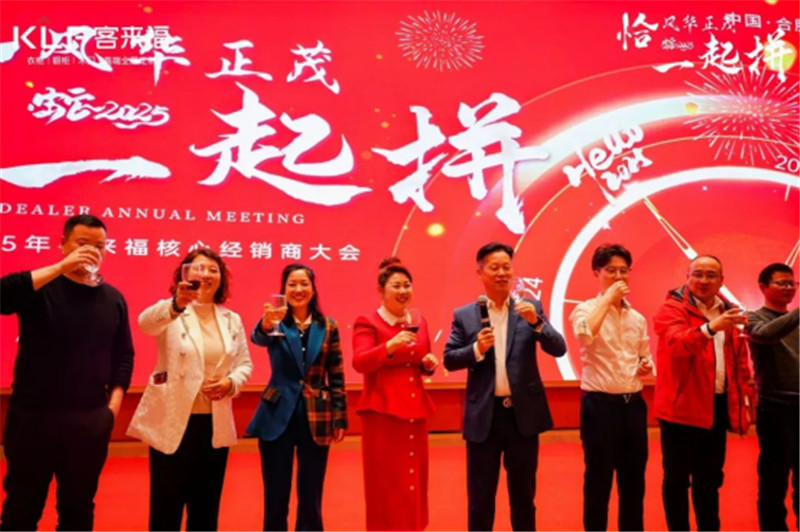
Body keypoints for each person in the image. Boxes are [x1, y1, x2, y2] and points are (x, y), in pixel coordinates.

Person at [0, 214, 134, 531]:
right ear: (62, 244)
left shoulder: (113, 298)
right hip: (33, 419)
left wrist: (112, 408)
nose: (92, 252)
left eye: (99, 246)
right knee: (21, 507)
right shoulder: (40, 288)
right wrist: (61, 268)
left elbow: (123, 356)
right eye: (82, 243)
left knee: (78, 508)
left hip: (90, 421)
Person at [126, 248, 253, 531]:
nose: (206, 274)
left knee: (206, 508)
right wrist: (176, 303)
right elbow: (145, 324)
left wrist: (231, 382)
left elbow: (244, 363)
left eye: (213, 270)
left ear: (221, 279)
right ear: (184, 274)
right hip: (174, 420)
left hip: (214, 423)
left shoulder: (231, 319)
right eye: (199, 268)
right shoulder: (172, 311)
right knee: (166, 506)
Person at [444, 242, 567, 531]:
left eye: (506, 267)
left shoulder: (529, 308)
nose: (502, 273)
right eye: (494, 267)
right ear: (480, 273)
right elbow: (449, 359)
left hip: (522, 417)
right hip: (485, 417)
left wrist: (537, 323)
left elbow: (559, 348)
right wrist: (476, 348)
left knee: (524, 496)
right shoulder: (465, 315)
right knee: (480, 499)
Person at [653, 255, 752, 531]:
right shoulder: (671, 309)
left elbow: (738, 361)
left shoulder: (728, 311)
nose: (704, 280)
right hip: (680, 410)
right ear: (687, 277)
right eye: (698, 274)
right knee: (677, 480)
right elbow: (677, 344)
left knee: (709, 479)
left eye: (711, 275)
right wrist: (710, 328)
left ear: (721, 280)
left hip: (716, 405)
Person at [247, 263, 347, 531]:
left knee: (311, 493)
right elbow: (259, 338)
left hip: (317, 415)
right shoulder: (275, 322)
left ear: (313, 289)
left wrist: (339, 418)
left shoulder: (328, 326)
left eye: (304, 283)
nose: (298, 289)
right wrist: (266, 324)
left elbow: (336, 375)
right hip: (276, 414)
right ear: (284, 289)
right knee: (275, 493)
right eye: (292, 284)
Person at [569, 244, 654, 531]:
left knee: (634, 482)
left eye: (623, 271)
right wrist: (607, 300)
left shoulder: (637, 318)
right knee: (598, 480)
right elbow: (584, 335)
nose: (619, 277)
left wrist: (645, 365)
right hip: (599, 407)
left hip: (633, 406)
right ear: (597, 273)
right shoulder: (584, 309)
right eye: (611, 271)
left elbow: (644, 356)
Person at [352, 257, 439, 531]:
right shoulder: (367, 322)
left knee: (415, 477)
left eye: (407, 285)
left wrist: (428, 364)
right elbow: (360, 362)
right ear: (381, 290)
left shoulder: (419, 321)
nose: (403, 291)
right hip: (383, 412)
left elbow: (421, 358)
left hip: (415, 409)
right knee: (386, 480)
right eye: (396, 286)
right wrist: (389, 345)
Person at [746, 263, 799, 531]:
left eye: (792, 283)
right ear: (763, 287)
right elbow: (766, 335)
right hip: (775, 409)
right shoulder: (753, 318)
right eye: (782, 283)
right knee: (774, 479)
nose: (789, 288)